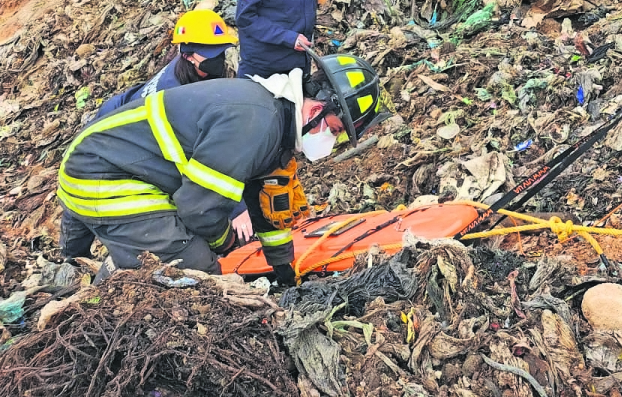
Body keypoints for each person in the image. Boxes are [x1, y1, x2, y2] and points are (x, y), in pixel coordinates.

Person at [58, 50, 385, 283]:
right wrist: (225, 242)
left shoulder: (275, 124)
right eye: (337, 129)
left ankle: (84, 272)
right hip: (100, 175)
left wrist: (285, 272)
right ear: (317, 108)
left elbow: (265, 208)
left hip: (105, 163)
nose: (331, 139)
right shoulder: (255, 123)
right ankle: (115, 282)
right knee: (196, 273)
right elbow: (197, 207)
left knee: (187, 250)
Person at [95, 9, 238, 119]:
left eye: (220, 50)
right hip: (118, 123)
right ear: (187, 56)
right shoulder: (176, 96)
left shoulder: (185, 67)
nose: (217, 58)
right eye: (210, 53)